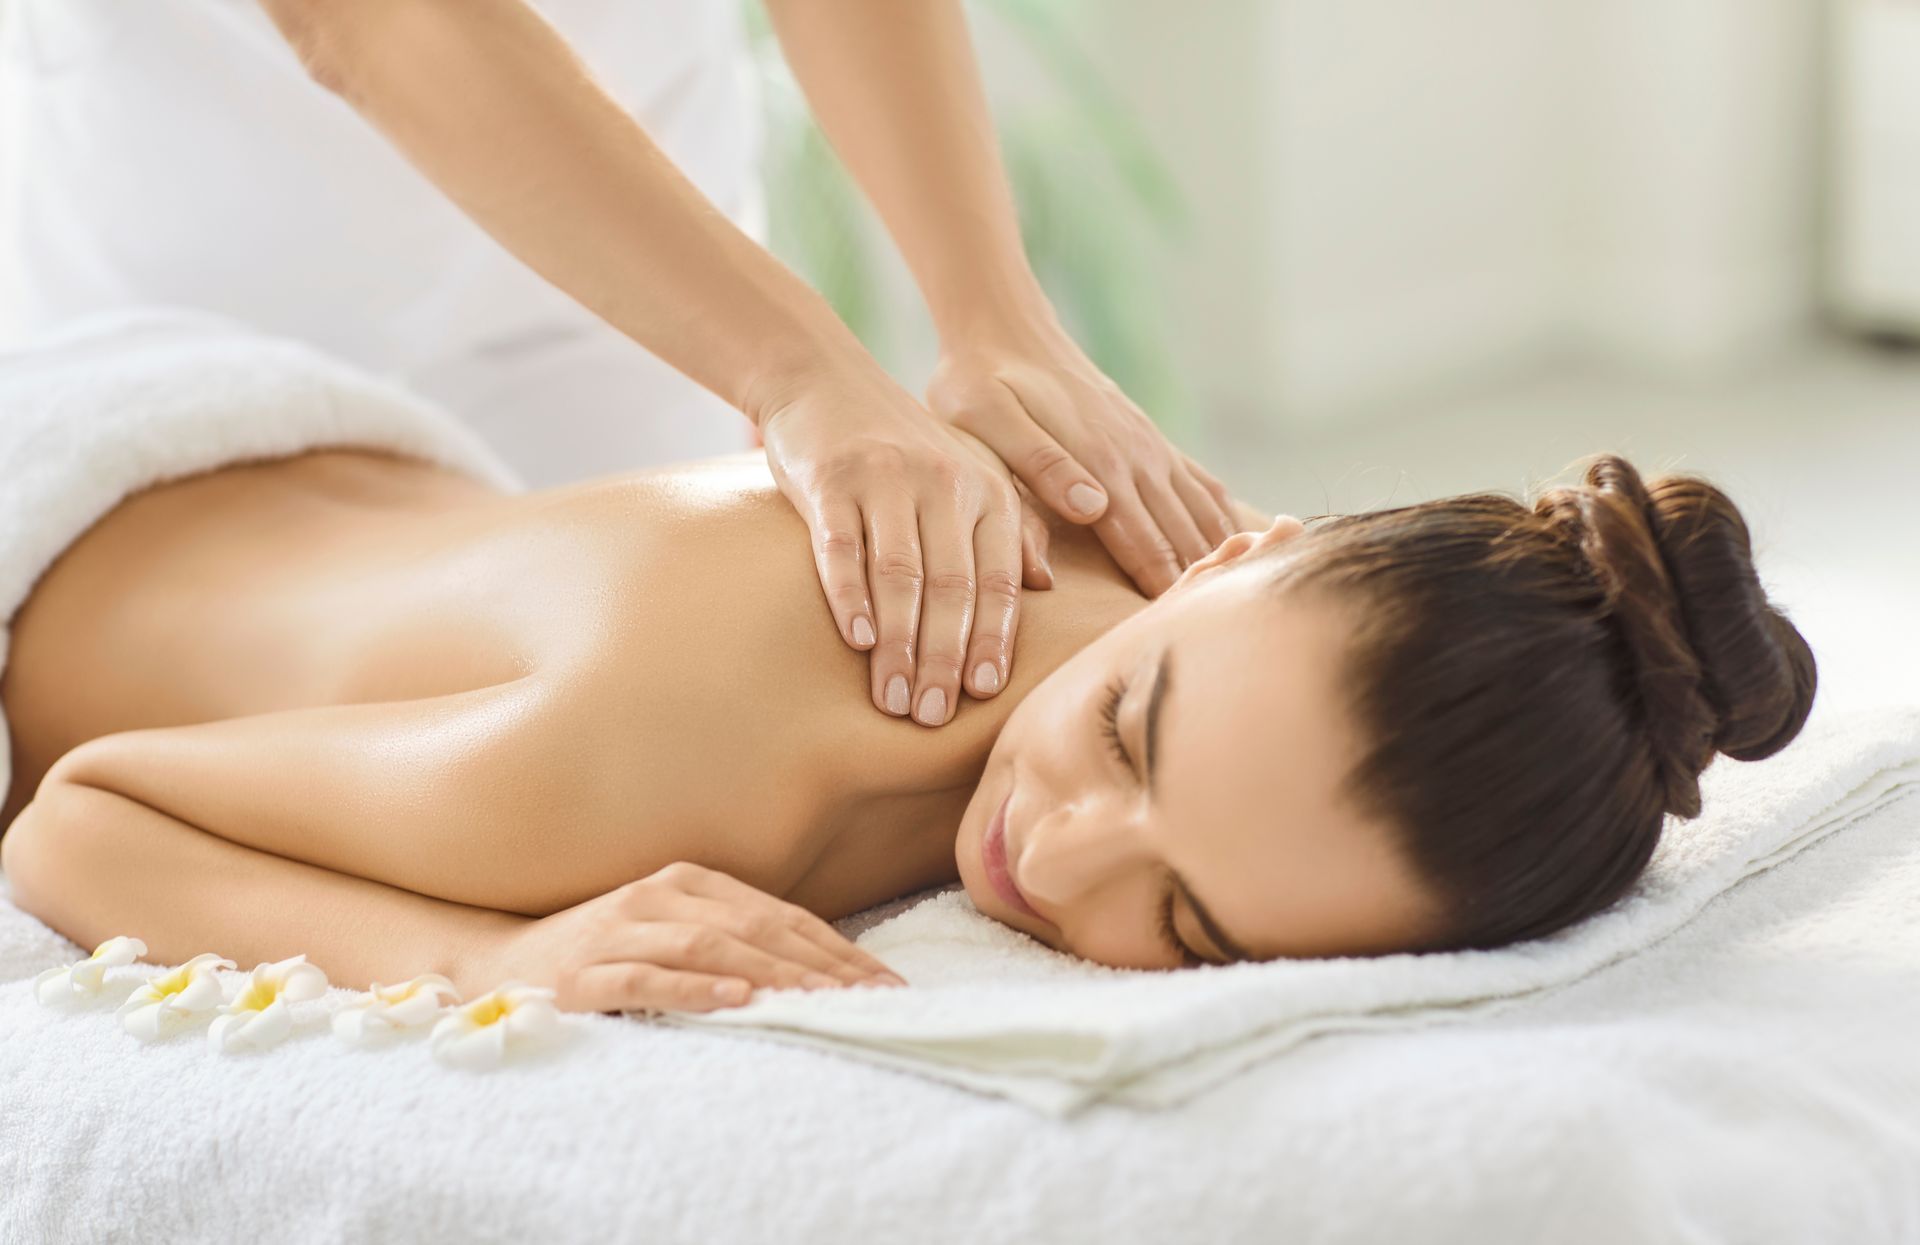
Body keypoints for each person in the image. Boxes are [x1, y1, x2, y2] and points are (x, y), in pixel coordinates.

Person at [0, 442, 1816, 1014]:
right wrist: (506, 950)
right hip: (64, 512)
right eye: (1128, 733)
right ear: (1234, 548)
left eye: (1188, 928)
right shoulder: (624, 764)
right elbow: (76, 825)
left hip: (341, 490)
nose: (1063, 855)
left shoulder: (1218, 622)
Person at [0, 0, 1246, 727]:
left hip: (643, 298)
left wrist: (998, 317)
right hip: (207, 308)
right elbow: (380, 20)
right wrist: (799, 366)